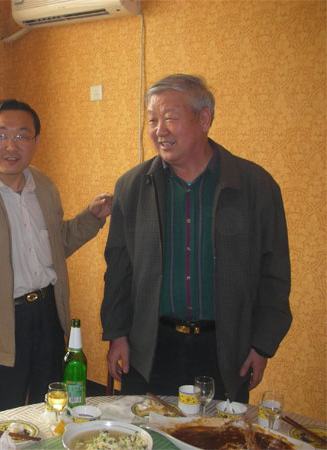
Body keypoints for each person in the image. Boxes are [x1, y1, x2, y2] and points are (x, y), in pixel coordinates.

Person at [101, 74, 291, 403]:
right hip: (151, 346)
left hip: (225, 349)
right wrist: (117, 334)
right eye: (152, 120)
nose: (159, 130)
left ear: (204, 119)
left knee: (219, 430)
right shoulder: (132, 187)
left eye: (170, 118)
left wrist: (262, 345)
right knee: (147, 429)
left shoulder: (255, 186)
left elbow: (274, 273)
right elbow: (118, 270)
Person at [0, 99, 112, 416]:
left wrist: (92, 217)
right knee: (1, 419)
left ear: (36, 142)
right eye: (1, 135)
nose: (11, 146)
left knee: (51, 412)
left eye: (22, 136)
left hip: (47, 316)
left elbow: (56, 245)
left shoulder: (44, 187)